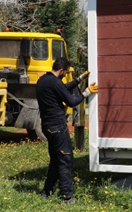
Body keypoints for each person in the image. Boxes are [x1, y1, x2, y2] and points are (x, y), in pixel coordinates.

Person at [36, 57, 98, 203]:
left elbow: (62, 89)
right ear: (62, 70)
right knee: (65, 159)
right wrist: (86, 93)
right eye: (66, 73)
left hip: (47, 126)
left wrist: (79, 79)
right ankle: (67, 197)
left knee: (55, 160)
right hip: (58, 126)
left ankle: (47, 191)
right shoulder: (56, 82)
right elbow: (71, 101)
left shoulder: (43, 80)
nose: (65, 75)